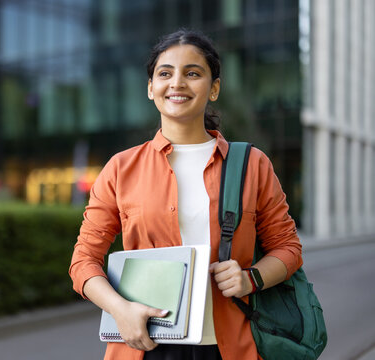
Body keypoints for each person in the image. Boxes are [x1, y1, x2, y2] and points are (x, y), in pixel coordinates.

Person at [69, 29, 302, 360]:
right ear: (151, 88)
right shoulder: (121, 168)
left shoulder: (251, 164)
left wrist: (252, 279)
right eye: (165, 73)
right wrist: (120, 309)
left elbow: (288, 248)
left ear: (214, 88)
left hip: (231, 346)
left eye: (193, 73)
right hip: (144, 345)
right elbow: (83, 262)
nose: (177, 83)